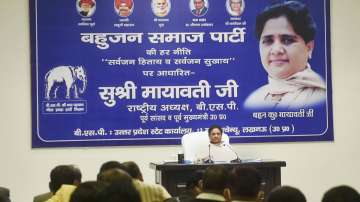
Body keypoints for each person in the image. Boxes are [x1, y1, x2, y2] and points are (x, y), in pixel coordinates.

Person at [244, 1, 326, 110]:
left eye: (287, 40)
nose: (276, 50)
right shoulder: (254, 100)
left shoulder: (321, 98)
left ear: (309, 47)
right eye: (268, 41)